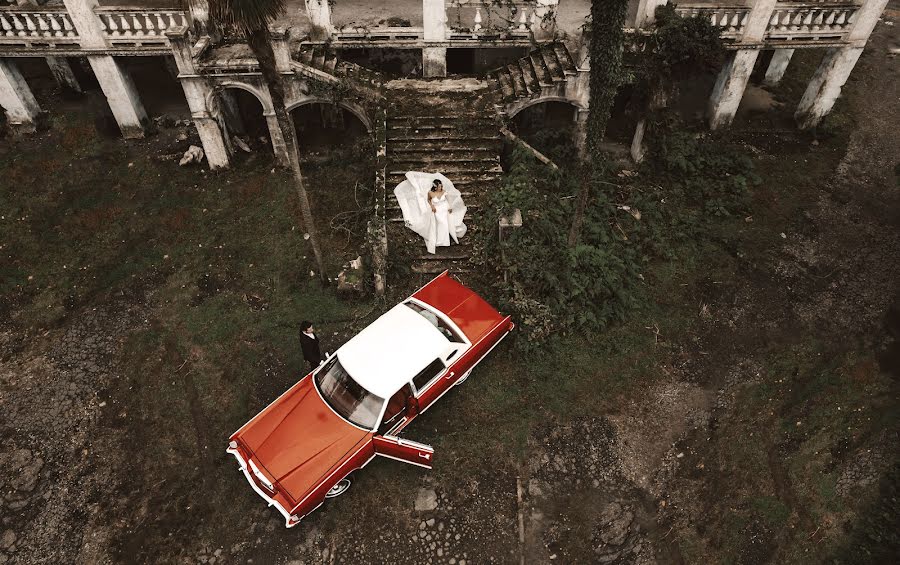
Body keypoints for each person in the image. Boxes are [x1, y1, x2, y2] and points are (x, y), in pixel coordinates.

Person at [428, 179, 453, 249]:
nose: (441, 188)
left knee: (444, 223)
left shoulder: (444, 192)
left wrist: (449, 207)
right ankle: (438, 240)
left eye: (441, 186)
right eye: (439, 187)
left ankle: (445, 241)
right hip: (437, 210)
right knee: (439, 224)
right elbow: (428, 200)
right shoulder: (430, 193)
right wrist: (432, 206)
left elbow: (448, 200)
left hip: (444, 209)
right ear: (435, 187)